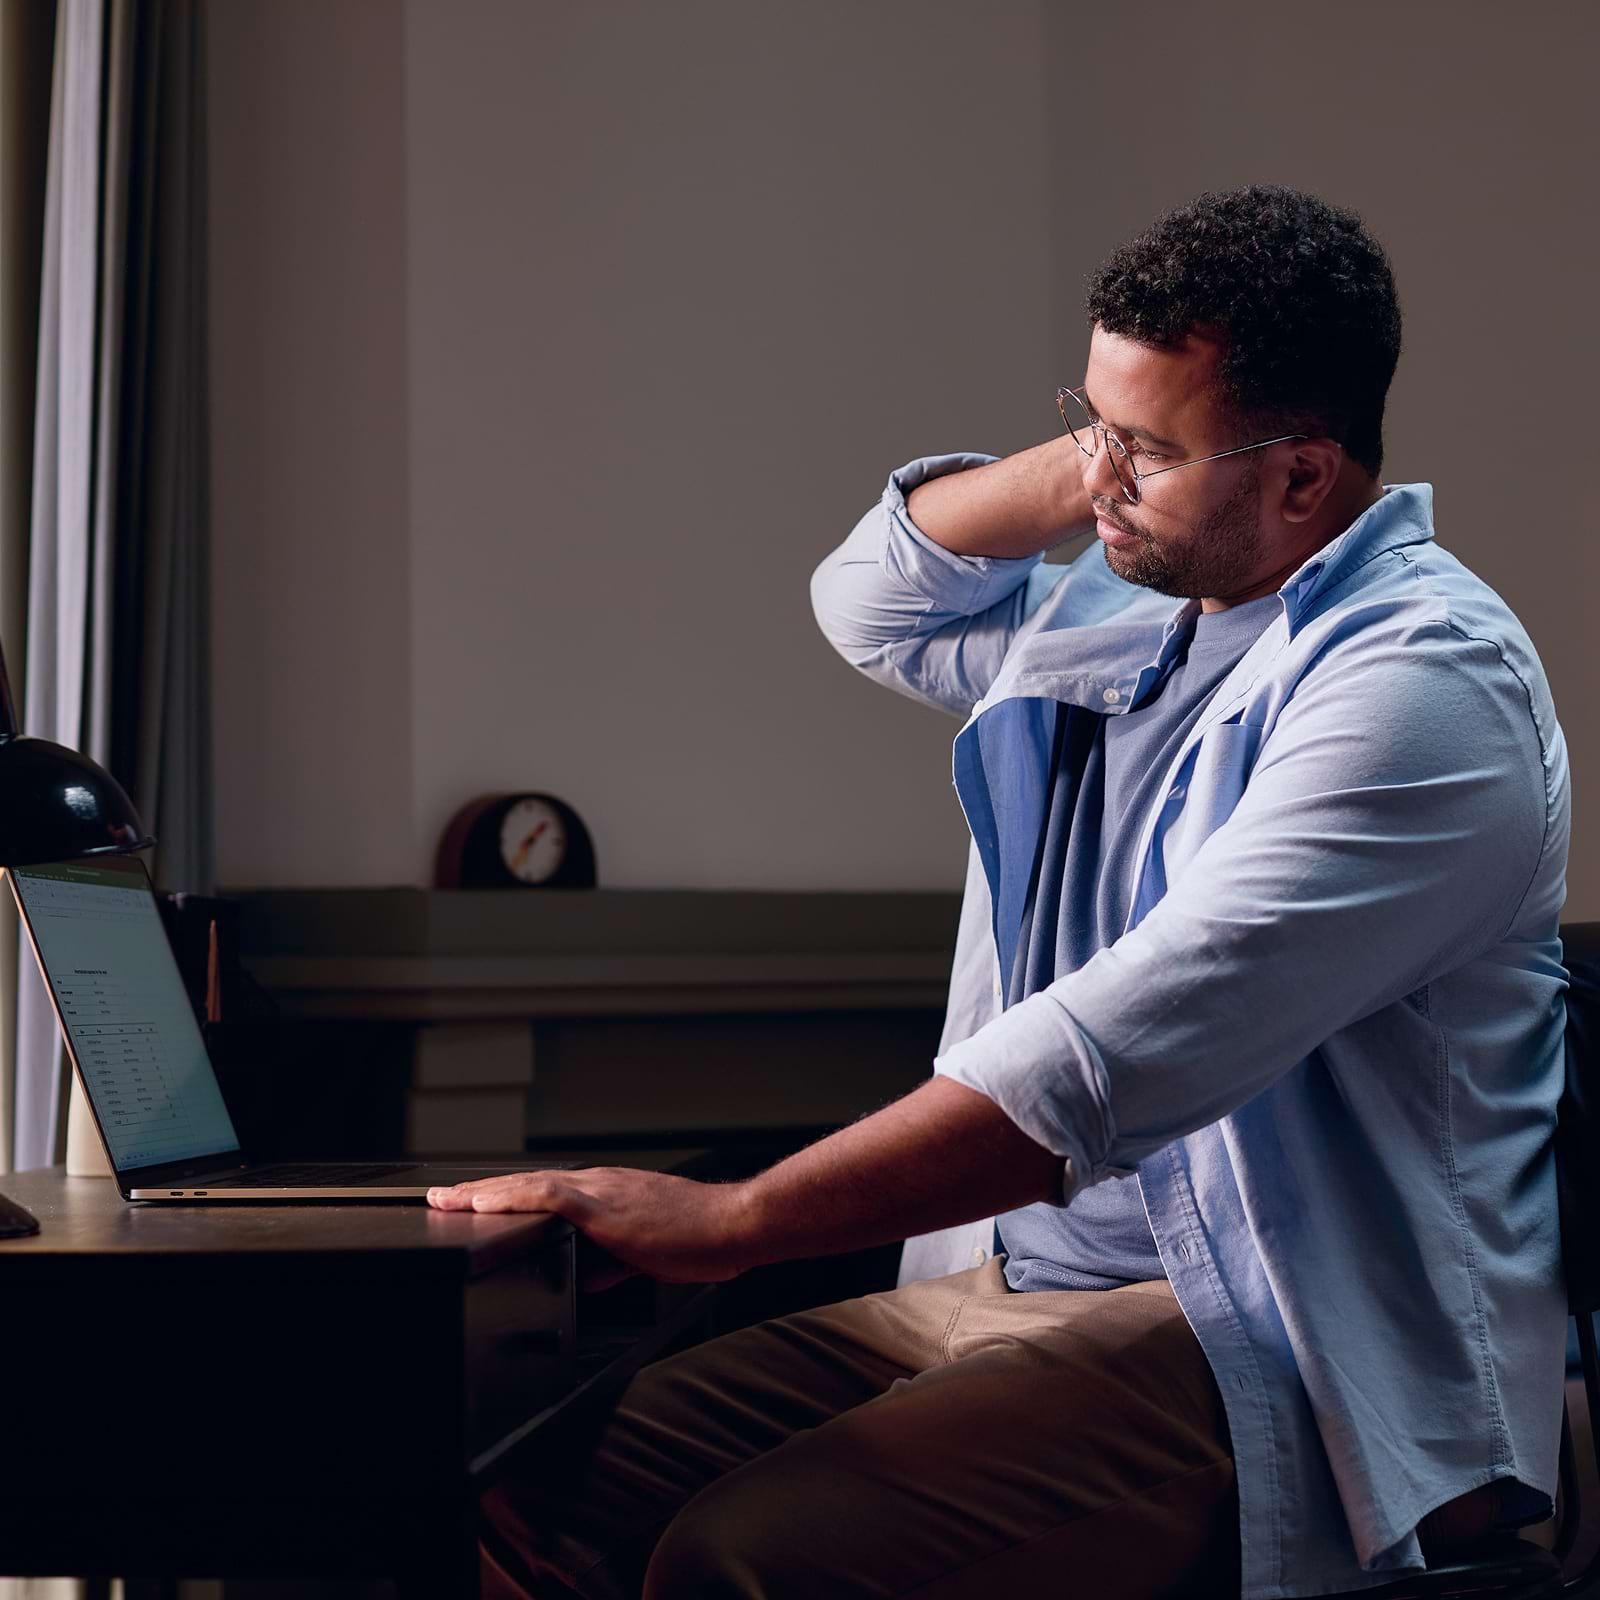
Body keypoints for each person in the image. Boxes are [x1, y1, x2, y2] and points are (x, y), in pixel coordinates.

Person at [434, 185, 1571, 1599]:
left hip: (1273, 1342)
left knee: (743, 1564)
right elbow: (872, 599)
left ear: (1301, 478)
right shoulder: (1129, 607)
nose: (1096, 479)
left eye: (1145, 450)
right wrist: (1121, 452)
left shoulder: (1424, 688)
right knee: (489, 1491)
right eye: (1088, 424)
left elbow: (1113, 1052)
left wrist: (729, 1227)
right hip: (1003, 1292)